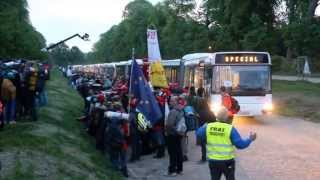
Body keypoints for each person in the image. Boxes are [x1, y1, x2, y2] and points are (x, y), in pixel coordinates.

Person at [196, 107, 256, 180]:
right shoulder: (230, 128)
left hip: (213, 161)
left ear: (217, 116)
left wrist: (204, 127)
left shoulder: (208, 126)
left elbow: (198, 134)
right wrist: (250, 139)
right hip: (227, 161)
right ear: (226, 117)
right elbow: (240, 145)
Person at [165, 96, 184, 176]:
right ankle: (179, 169)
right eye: (170, 101)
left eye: (172, 101)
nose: (170, 102)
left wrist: (168, 131)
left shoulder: (173, 111)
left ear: (176, 102)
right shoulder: (181, 110)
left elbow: (169, 124)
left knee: (172, 152)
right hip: (179, 133)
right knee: (179, 151)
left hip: (172, 134)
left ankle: (172, 170)